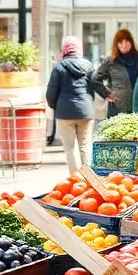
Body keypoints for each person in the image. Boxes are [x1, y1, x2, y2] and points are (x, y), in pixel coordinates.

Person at [46, 37, 96, 173]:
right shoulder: (88, 65)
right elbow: (93, 87)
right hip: (85, 111)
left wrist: (55, 106)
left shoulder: (59, 67)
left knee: (70, 148)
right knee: (85, 145)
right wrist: (88, 103)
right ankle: (89, 179)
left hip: (64, 113)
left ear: (65, 50)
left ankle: (76, 180)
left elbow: (51, 92)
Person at [92, 29, 138, 117]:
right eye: (120, 43)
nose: (123, 46)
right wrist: (106, 94)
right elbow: (95, 79)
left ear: (131, 42)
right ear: (116, 44)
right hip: (117, 109)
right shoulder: (111, 60)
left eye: (126, 42)